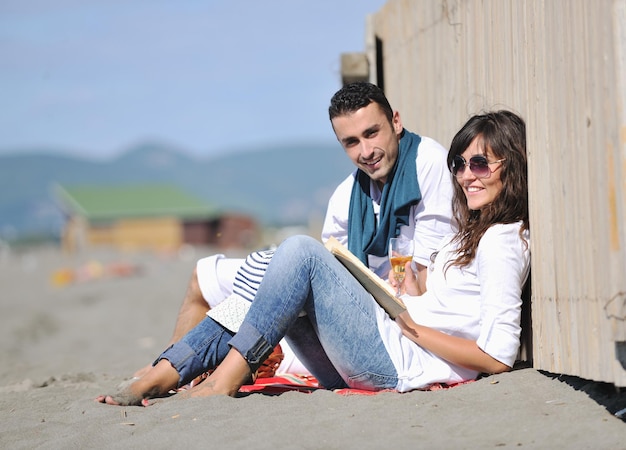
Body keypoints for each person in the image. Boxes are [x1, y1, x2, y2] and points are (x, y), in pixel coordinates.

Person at [96, 109, 531, 406]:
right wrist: (403, 290)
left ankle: (218, 376)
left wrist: (413, 327)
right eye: (460, 163)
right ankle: (169, 369)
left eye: (479, 164)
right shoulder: (474, 234)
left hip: (397, 360)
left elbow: (497, 357)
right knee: (274, 277)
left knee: (301, 252)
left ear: (511, 166)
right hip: (384, 346)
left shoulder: (503, 241)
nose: (464, 175)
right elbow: (439, 301)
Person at [132, 82, 454, 377]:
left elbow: (423, 280)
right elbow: (337, 271)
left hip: (391, 331)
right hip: (347, 312)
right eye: (351, 142)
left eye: (372, 133)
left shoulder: (426, 164)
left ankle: (186, 372)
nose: (366, 151)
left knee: (290, 267)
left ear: (396, 123)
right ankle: (171, 366)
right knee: (205, 275)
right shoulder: (347, 196)